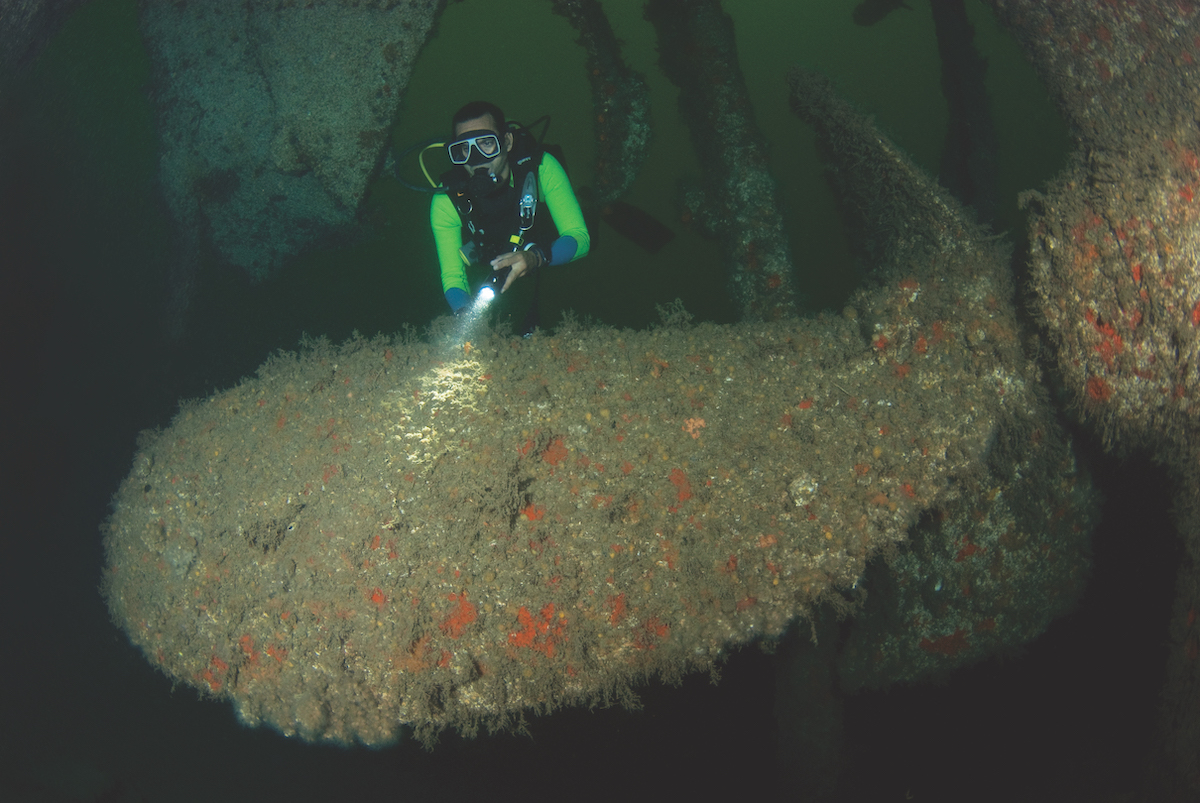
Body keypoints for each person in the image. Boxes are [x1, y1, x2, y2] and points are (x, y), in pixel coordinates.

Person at [430, 100, 590, 316]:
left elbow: (580, 238)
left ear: (506, 141)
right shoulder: (445, 200)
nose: (476, 159)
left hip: (547, 242)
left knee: (592, 218)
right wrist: (464, 313)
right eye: (464, 148)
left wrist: (535, 257)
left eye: (486, 143)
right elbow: (452, 276)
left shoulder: (541, 168)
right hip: (498, 255)